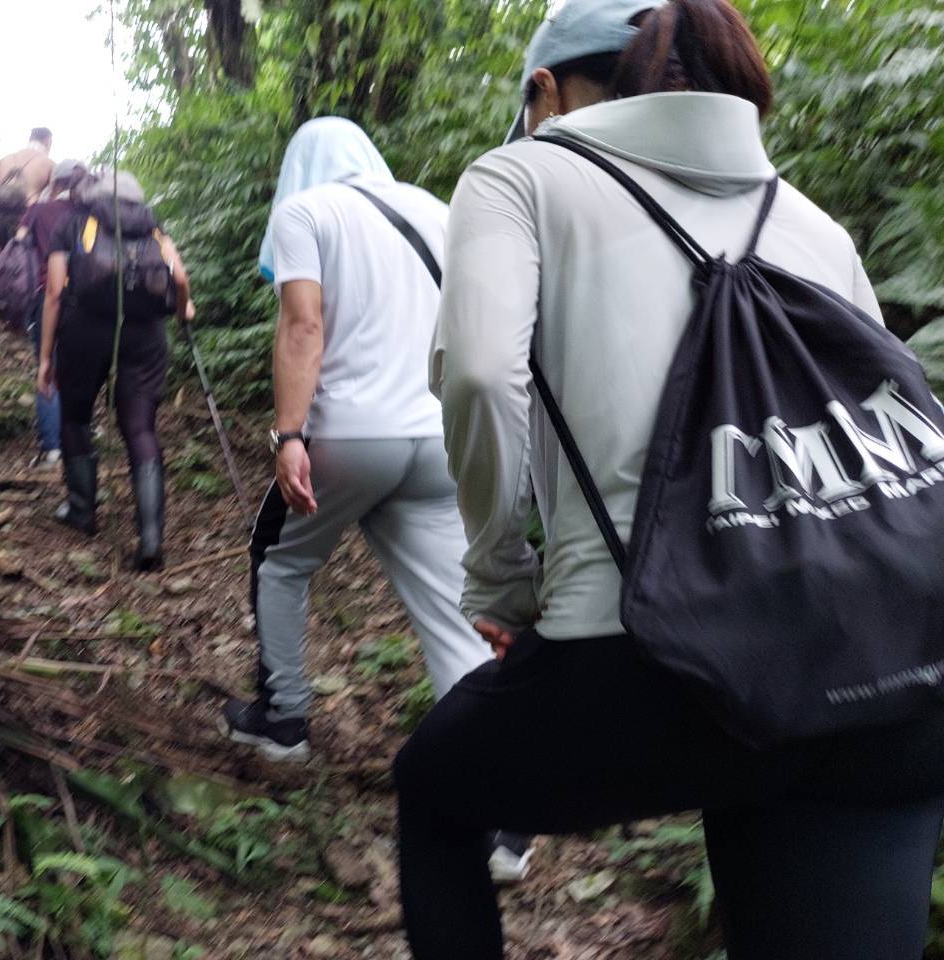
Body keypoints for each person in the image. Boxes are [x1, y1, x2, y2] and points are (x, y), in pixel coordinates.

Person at [400, 1, 944, 957]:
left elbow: (481, 374)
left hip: (650, 660)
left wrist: (499, 578)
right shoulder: (810, 220)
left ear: (551, 91)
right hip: (886, 661)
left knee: (435, 790)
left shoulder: (521, 176)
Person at [221, 117, 492, 786]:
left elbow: (303, 323)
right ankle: (503, 807)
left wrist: (288, 434)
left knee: (278, 559)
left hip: (348, 436)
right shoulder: (433, 209)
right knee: (453, 617)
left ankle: (282, 721)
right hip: (435, 438)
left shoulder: (304, 212)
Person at [37, 171, 194, 570]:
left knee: (75, 418)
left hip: (83, 332)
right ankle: (151, 539)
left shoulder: (71, 223)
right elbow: (179, 277)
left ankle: (82, 511)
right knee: (140, 428)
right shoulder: (152, 223)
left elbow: (55, 293)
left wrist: (44, 357)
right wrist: (183, 308)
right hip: (145, 337)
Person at [9, 159, 89, 471]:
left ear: (54, 183)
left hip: (47, 293)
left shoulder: (39, 211)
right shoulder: (90, 213)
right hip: (86, 297)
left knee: (47, 369)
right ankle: (80, 436)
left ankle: (52, 449)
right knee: (80, 368)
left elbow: (17, 244)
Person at [0, 127, 55, 253]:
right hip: (27, 222)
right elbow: (52, 202)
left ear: (30, 139)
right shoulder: (49, 164)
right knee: (24, 267)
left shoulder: (3, 161)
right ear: (48, 142)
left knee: (2, 264)